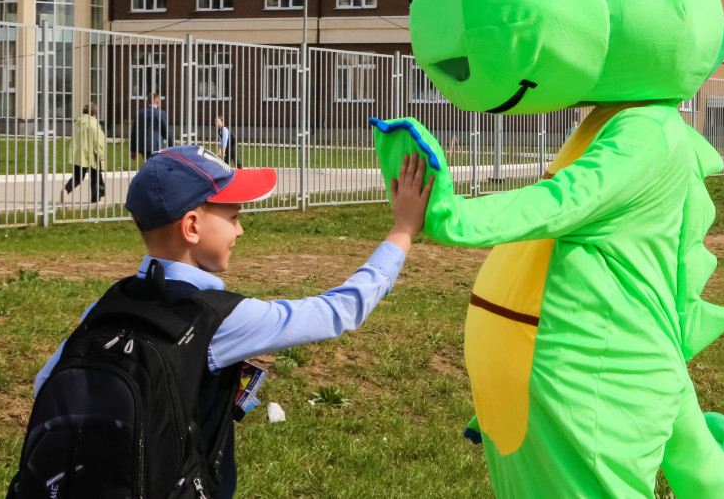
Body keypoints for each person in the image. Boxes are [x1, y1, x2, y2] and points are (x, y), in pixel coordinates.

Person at [23, 147, 433, 497]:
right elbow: (337, 311)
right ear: (192, 226)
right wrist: (403, 230)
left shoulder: (106, 305)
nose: (241, 229)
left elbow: (47, 385)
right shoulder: (220, 319)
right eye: (234, 216)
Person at [61, 103, 104, 206]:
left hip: (79, 153)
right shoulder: (94, 124)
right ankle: (95, 199)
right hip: (93, 154)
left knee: (78, 176)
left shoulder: (77, 123)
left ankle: (66, 189)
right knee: (95, 176)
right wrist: (100, 153)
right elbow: (98, 141)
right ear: (94, 114)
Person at [129, 93, 173, 163]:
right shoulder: (160, 113)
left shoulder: (140, 113)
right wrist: (171, 147)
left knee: (149, 163)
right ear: (157, 101)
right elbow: (167, 131)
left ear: (147, 101)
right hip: (157, 145)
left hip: (144, 145)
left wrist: (133, 150)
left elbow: (134, 132)